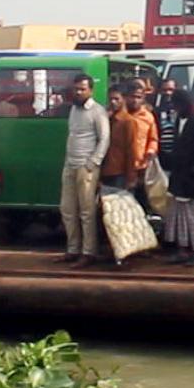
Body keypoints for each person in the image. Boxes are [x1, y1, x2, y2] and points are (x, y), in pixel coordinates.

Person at [61, 74, 110, 264]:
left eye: (82, 89)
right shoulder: (73, 109)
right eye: (76, 89)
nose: (78, 92)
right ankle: (72, 249)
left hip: (86, 166)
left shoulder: (98, 111)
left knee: (87, 212)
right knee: (67, 209)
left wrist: (93, 163)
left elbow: (104, 139)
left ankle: (89, 252)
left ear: (91, 90)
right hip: (70, 164)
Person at [159, 87, 194, 265]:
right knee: (179, 216)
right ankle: (182, 250)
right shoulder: (181, 119)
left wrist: (193, 171)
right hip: (181, 177)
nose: (174, 109)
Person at [101, 81, 158, 191]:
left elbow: (153, 139)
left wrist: (150, 152)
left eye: (138, 97)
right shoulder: (114, 117)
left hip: (141, 166)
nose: (135, 100)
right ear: (125, 98)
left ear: (143, 98)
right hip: (118, 168)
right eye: (132, 97)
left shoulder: (147, 117)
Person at [152, 77, 180, 169]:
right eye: (165, 90)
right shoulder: (156, 111)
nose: (168, 93)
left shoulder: (182, 111)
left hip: (178, 155)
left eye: (171, 90)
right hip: (162, 155)